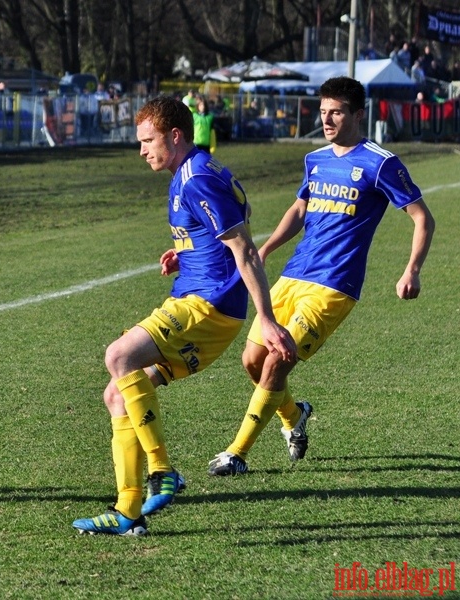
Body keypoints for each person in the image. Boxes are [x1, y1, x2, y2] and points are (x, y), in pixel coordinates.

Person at [72, 96, 295, 536]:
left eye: (147, 140)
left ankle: (158, 477)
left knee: (119, 356)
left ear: (174, 135)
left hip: (207, 306)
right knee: (117, 396)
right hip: (205, 301)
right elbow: (233, 222)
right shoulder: (199, 170)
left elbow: (245, 248)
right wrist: (189, 250)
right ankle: (130, 512)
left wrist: (266, 319)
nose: (141, 150)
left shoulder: (195, 180)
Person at [208, 76, 435, 476]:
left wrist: (411, 271)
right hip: (295, 274)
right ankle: (295, 415)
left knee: (277, 361)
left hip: (335, 285)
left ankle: (236, 453)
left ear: (357, 114)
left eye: (336, 112)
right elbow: (299, 210)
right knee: (252, 361)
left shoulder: (379, 163)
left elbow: (422, 218)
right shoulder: (315, 160)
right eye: (324, 111)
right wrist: (266, 248)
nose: (327, 119)